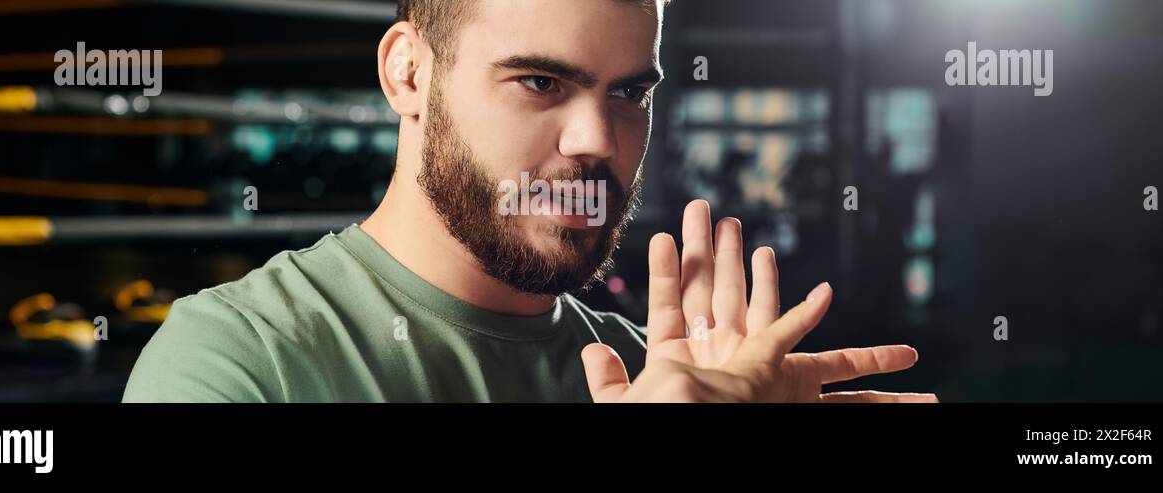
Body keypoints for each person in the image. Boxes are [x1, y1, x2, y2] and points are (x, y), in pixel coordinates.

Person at [123, 0, 937, 403]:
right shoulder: (237, 361)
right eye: (540, 81)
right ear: (410, 73)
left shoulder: (668, 375)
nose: (597, 138)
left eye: (629, 93)